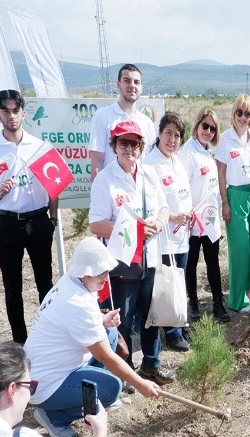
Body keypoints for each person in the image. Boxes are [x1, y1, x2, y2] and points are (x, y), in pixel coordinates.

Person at [25, 238, 160, 437]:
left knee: (110, 333)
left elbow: (81, 324)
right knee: (112, 389)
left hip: (51, 368)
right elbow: (106, 357)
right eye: (101, 273)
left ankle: (89, 396)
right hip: (45, 383)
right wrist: (141, 383)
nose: (107, 278)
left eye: (107, 272)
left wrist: (102, 320)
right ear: (86, 272)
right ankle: (54, 416)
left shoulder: (71, 281)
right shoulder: (76, 302)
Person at [89, 120, 175, 386]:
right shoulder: (105, 179)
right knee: (122, 320)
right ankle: (124, 374)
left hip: (149, 260)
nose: (129, 148)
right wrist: (132, 229)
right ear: (114, 145)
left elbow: (163, 208)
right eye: (123, 142)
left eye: (134, 143)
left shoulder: (149, 174)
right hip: (121, 264)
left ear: (141, 146)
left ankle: (151, 366)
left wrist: (159, 223)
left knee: (151, 316)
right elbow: (96, 224)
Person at [0, 90, 57, 345]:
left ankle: (47, 336)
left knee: (46, 282)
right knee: (13, 286)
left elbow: (55, 185)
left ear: (23, 113)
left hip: (39, 220)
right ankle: (20, 341)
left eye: (16, 110)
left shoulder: (40, 147)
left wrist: (52, 219)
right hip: (9, 222)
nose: (12, 116)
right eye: (6, 111)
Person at [142, 112, 192, 351]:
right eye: (168, 133)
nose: (172, 139)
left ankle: (178, 323)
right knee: (164, 283)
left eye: (177, 135)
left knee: (177, 281)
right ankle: (171, 332)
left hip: (182, 235)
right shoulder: (150, 164)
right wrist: (173, 216)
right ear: (159, 134)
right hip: (163, 237)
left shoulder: (176, 160)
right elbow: (153, 204)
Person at [215, 94, 250, 313]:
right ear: (234, 113)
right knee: (240, 249)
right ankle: (237, 299)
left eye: (248, 114)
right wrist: (224, 203)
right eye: (239, 112)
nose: (243, 117)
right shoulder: (225, 139)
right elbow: (221, 173)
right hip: (236, 196)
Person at [179, 108, 230, 323]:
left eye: (212, 128)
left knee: (212, 263)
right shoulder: (187, 152)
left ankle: (218, 303)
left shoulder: (210, 152)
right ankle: (194, 304)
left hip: (209, 221)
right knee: (191, 264)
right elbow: (182, 187)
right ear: (197, 125)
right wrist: (187, 213)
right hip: (192, 220)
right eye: (205, 126)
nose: (208, 131)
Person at [89, 63, 156, 181]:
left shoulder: (147, 122)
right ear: (118, 85)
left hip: (139, 190)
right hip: (112, 189)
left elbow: (150, 161)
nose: (132, 85)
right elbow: (97, 160)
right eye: (127, 81)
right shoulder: (102, 116)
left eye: (136, 82)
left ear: (141, 87)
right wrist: (98, 192)